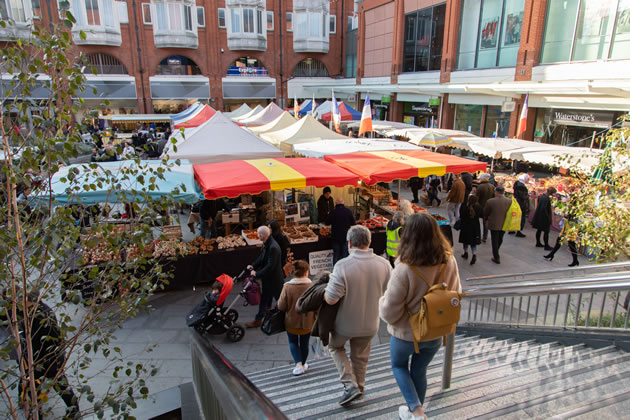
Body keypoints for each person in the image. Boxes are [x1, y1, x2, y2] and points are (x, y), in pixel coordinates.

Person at [379, 213, 461, 420]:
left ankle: (416, 411)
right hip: (435, 329)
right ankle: (415, 411)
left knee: (398, 366)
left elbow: (390, 309)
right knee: (419, 370)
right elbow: (456, 293)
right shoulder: (448, 261)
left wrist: (381, 305)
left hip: (407, 332)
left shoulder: (404, 267)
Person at [324, 225, 391, 406]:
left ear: (349, 243)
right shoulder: (384, 265)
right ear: (369, 242)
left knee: (334, 347)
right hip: (370, 324)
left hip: (345, 324)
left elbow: (330, 299)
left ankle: (349, 384)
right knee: (360, 357)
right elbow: (388, 293)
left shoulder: (343, 266)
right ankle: (360, 388)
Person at [277, 260, 316, 376]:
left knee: (293, 342)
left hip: (291, 322)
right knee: (305, 343)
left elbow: (281, 306)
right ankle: (303, 364)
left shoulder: (287, 287)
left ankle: (298, 364)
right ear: (306, 272)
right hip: (308, 322)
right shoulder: (312, 286)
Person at [246, 226, 284, 328]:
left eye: (258, 234)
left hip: (274, 280)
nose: (257, 235)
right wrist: (253, 265)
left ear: (262, 235)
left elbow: (270, 266)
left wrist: (257, 274)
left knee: (280, 301)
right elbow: (262, 258)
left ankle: (286, 319)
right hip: (269, 279)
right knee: (265, 299)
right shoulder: (268, 243)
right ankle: (259, 319)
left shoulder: (273, 247)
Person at [484, 186, 512, 264]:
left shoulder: (490, 201)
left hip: (494, 223)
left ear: (496, 192)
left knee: (494, 239)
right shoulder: (509, 201)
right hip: (504, 223)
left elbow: (486, 212)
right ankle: (497, 250)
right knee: (500, 238)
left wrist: (486, 218)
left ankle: (496, 256)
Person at [326, 198, 356, 265]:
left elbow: (327, 222)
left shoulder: (333, 212)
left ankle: (335, 272)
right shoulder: (348, 211)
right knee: (345, 256)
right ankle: (344, 272)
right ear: (343, 203)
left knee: (336, 255)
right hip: (346, 236)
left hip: (335, 237)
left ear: (336, 203)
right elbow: (353, 223)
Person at [459, 195, 483, 265]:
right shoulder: (479, 207)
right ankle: (474, 254)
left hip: (466, 226)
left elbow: (461, 216)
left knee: (465, 241)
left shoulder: (465, 207)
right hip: (475, 227)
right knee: (473, 242)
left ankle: (465, 252)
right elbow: (482, 215)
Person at [476, 173, 496, 242]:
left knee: (476, 221)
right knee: (485, 223)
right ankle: (485, 236)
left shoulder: (480, 187)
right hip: (488, 207)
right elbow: (494, 197)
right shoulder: (492, 186)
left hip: (480, 206)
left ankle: (477, 235)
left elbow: (477, 198)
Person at [511, 174, 530, 238]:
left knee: (514, 216)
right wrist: (527, 196)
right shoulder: (522, 187)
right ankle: (518, 231)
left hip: (516, 203)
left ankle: (511, 229)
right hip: (521, 204)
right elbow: (523, 196)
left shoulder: (516, 184)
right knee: (521, 217)